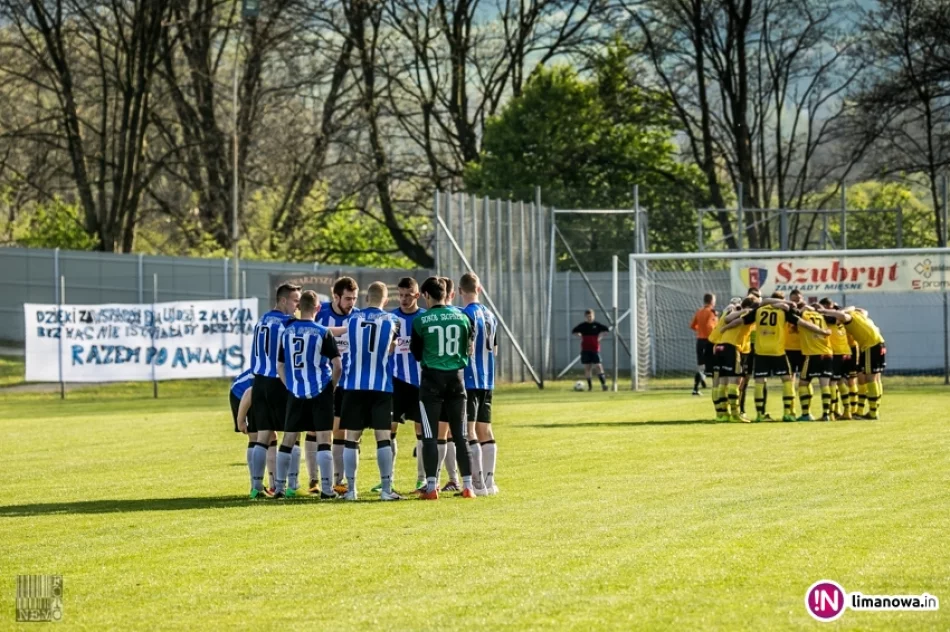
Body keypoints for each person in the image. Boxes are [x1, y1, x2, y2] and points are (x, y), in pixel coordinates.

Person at [336, 282, 404, 500]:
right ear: (386, 300)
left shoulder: (352, 319)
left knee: (351, 438)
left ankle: (351, 490)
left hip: (354, 385)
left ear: (366, 299)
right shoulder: (392, 320)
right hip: (381, 386)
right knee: (383, 437)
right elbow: (391, 348)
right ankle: (386, 490)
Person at [411, 277, 476, 500]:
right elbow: (469, 348)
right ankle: (468, 487)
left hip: (431, 380)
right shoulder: (463, 317)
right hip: (457, 379)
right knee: (461, 436)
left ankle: (431, 488)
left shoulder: (421, 320)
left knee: (429, 435)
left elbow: (417, 353)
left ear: (427, 295)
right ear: (446, 294)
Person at [274, 290, 342, 499]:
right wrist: (331, 387)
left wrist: (290, 385)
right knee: (324, 439)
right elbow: (338, 366)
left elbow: (280, 366)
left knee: (288, 439)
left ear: (298, 307)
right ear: (318, 308)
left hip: (296, 391)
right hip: (320, 390)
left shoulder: (287, 332)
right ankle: (327, 489)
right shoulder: (323, 332)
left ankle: (279, 488)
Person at [247, 283, 301, 499]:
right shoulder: (287, 323)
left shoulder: (262, 321)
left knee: (263, 435)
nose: (297, 306)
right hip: (278, 381)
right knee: (293, 433)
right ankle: (287, 486)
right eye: (295, 301)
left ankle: (256, 487)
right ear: (283, 300)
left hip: (259, 382)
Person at [311, 277, 359, 495]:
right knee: (315, 431)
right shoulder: (320, 314)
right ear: (336, 296)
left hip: (347, 382)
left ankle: (338, 480)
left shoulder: (357, 316)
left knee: (340, 430)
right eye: (347, 298)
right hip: (322, 382)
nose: (351, 303)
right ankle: (314, 480)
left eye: (354, 298)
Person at [748, 293, 830, 422]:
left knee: (800, 381)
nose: (794, 302)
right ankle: (790, 412)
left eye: (798, 299)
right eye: (793, 300)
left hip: (798, 350)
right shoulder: (785, 311)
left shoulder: (768, 310)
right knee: (790, 380)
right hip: (787, 350)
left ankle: (802, 412)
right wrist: (821, 331)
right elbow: (803, 322)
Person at [383, 277, 426, 493]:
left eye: (408, 295)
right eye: (400, 295)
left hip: (420, 382)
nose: (404, 299)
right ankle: (388, 480)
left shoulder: (424, 318)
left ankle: (422, 479)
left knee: (421, 430)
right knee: (390, 429)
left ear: (417, 295)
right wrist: (389, 346)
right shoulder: (391, 318)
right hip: (396, 381)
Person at [460, 272, 498, 496]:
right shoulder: (490, 315)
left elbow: (467, 348)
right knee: (486, 429)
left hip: (470, 379)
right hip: (488, 379)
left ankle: (477, 484)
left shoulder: (465, 315)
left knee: (470, 430)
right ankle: (490, 482)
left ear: (460, 291)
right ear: (479, 289)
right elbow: (495, 348)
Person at [818, 305, 886, 420]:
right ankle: (873, 410)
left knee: (871, 378)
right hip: (877, 344)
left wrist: (824, 311)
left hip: (870, 346)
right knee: (875, 378)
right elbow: (860, 309)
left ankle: (873, 413)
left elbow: (842, 315)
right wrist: (847, 309)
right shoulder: (860, 315)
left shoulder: (850, 319)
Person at [797, 305, 835, 421]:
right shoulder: (821, 316)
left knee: (803, 384)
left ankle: (805, 414)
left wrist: (802, 309)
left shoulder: (803, 315)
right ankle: (826, 414)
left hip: (812, 354)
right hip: (827, 353)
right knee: (825, 385)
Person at [819, 298, 854, 420]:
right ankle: (847, 411)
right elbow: (852, 308)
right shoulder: (840, 315)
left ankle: (832, 413)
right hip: (846, 351)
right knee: (842, 382)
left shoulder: (828, 318)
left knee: (832, 383)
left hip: (836, 352)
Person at [572, 310, 610, 391]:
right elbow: (574, 331)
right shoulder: (582, 326)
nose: (589, 318)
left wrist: (600, 337)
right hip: (585, 349)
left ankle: (603, 384)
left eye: (590, 316)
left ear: (593, 316)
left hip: (595, 349)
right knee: (587, 367)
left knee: (598, 366)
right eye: (587, 317)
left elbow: (606, 330)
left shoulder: (597, 325)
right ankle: (590, 387)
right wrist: (579, 336)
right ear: (585, 317)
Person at [689, 293, 718, 396]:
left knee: (701, 365)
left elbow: (692, 325)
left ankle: (696, 388)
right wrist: (713, 336)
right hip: (708, 341)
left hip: (699, 341)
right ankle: (716, 388)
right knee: (714, 364)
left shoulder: (699, 311)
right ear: (712, 301)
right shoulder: (711, 312)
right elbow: (710, 326)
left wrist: (700, 330)